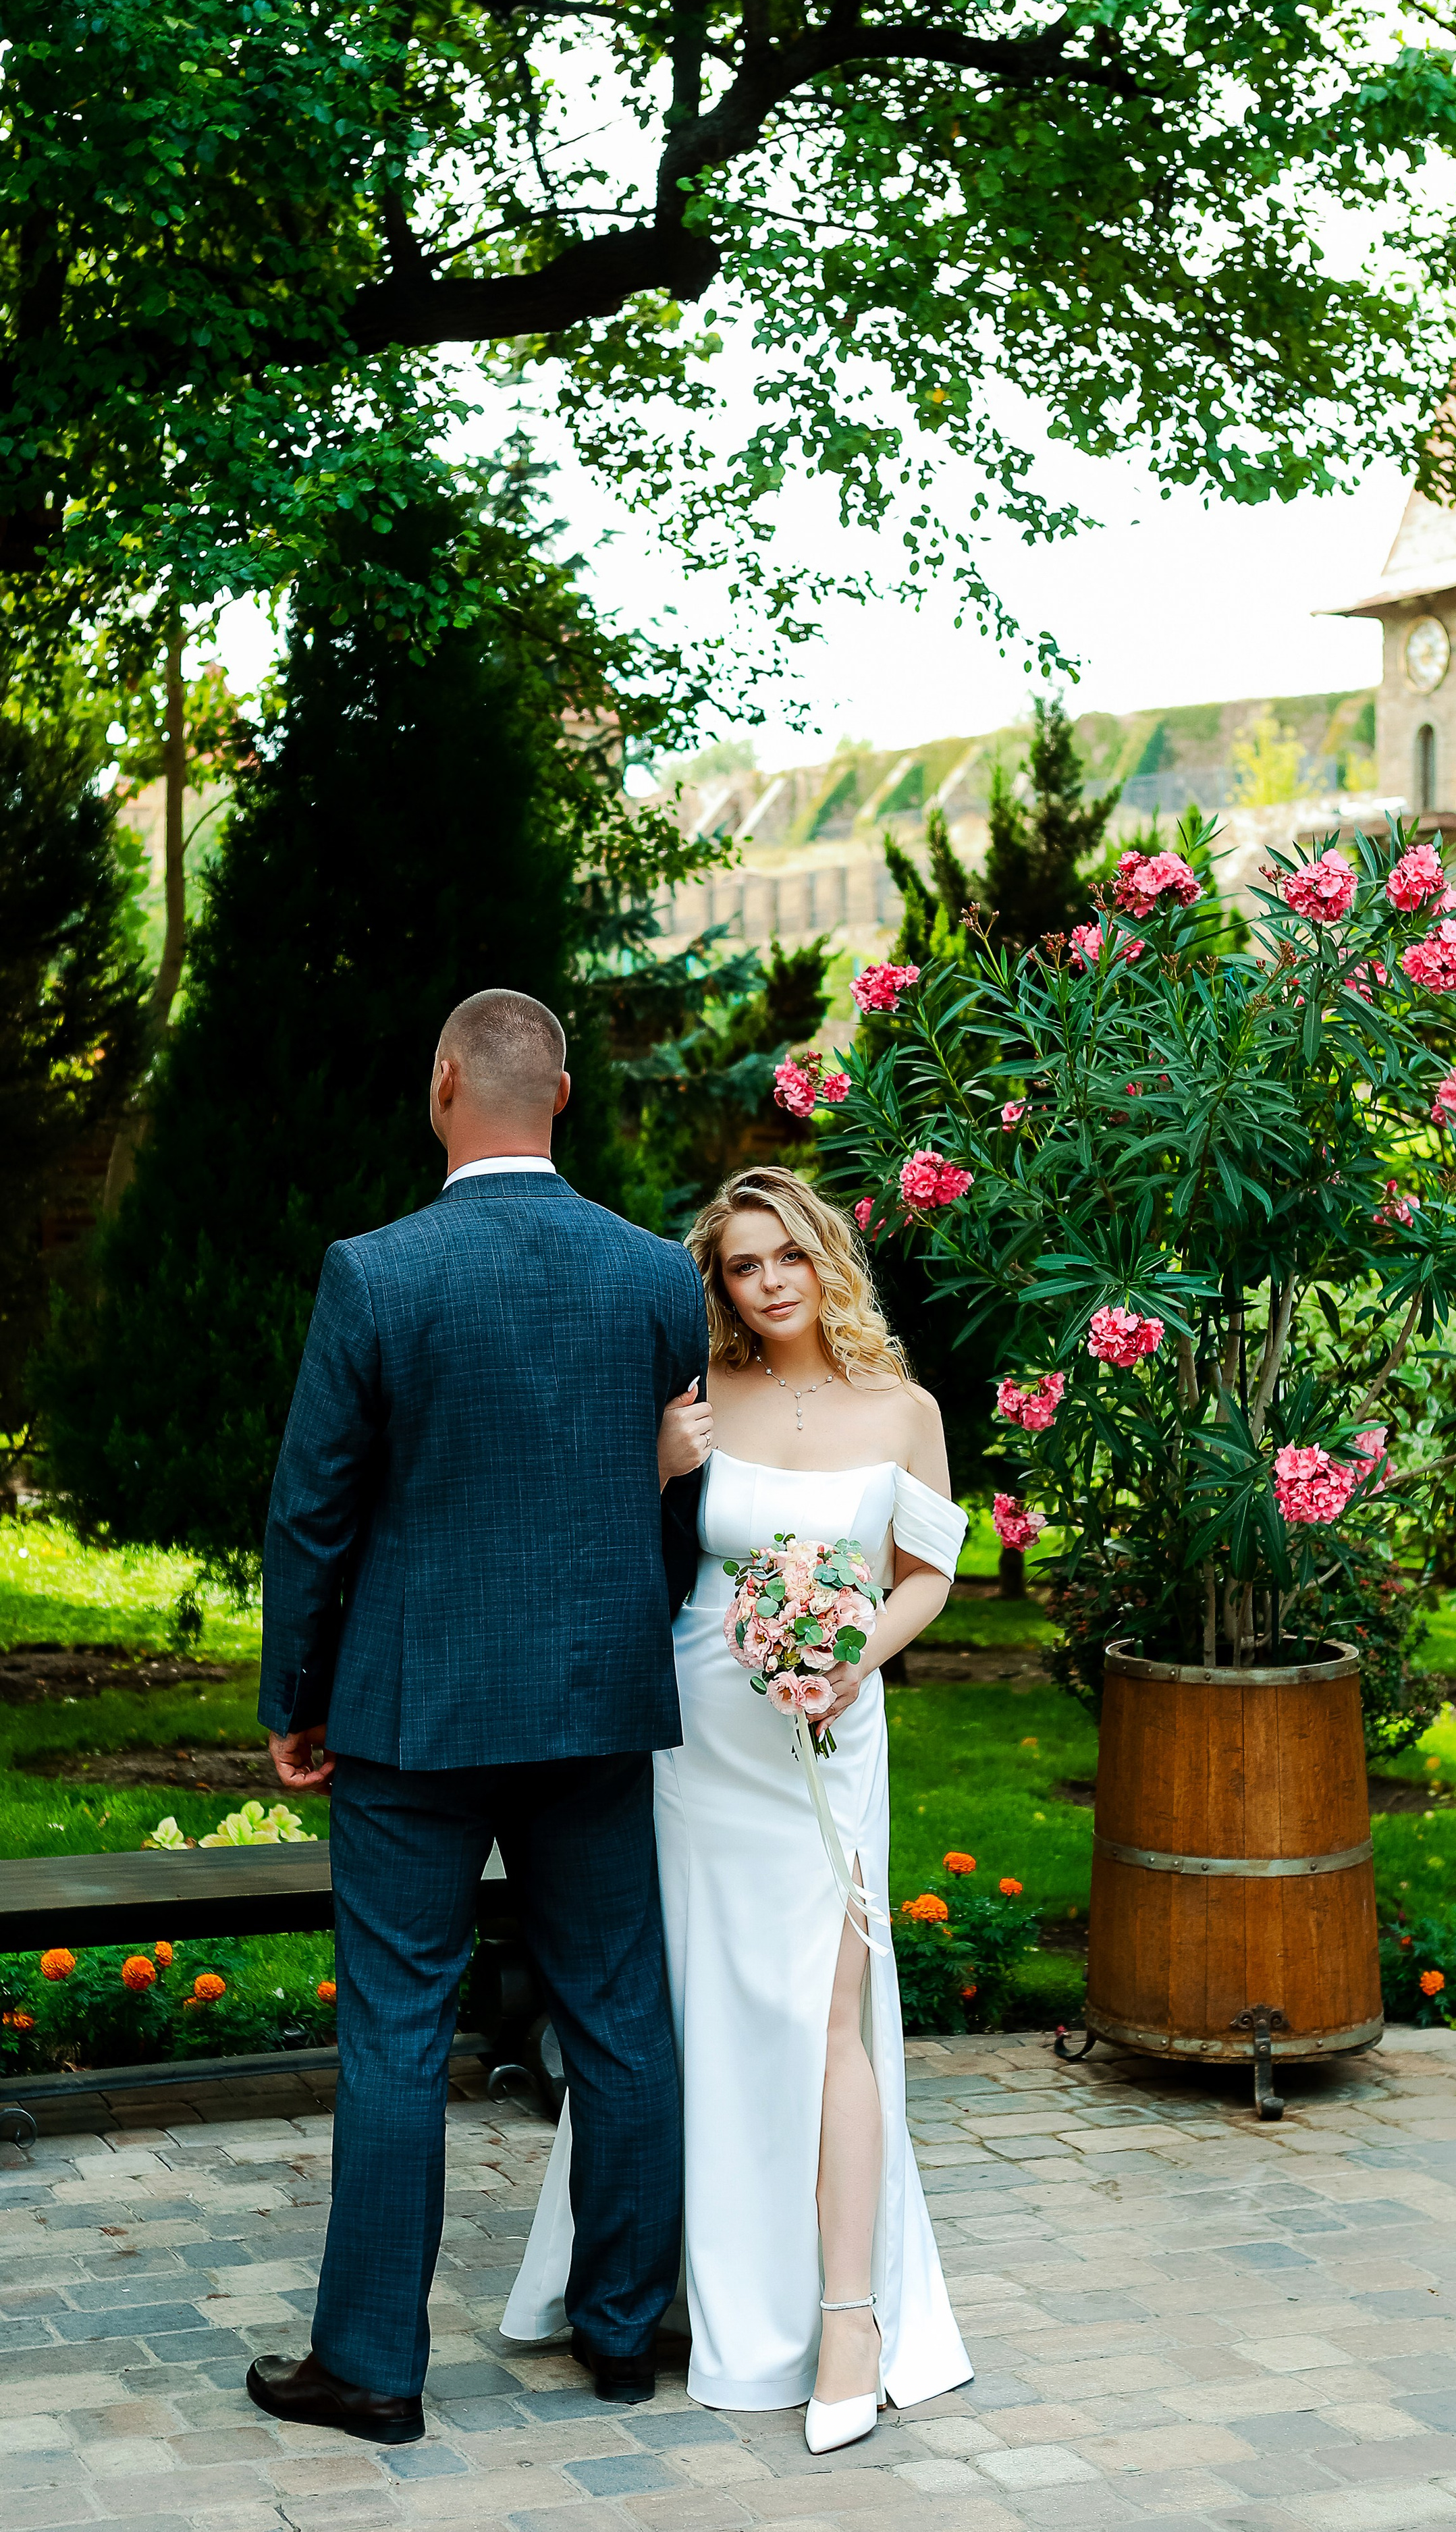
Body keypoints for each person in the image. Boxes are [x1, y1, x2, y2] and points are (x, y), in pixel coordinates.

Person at [246, 989, 709, 2446]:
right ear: (559, 1094)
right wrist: (632, 1629)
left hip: (409, 1713)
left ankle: (372, 2367)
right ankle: (625, 2338)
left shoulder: (375, 1275)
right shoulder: (649, 1275)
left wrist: (295, 1700)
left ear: (444, 1082)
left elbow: (313, 1510)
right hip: (592, 1698)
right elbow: (678, 1499)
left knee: (394, 2032)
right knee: (621, 2015)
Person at [504, 1165, 973, 2451]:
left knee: (831, 2015)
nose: (769, 1284)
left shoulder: (905, 1410)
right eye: (742, 1267)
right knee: (692, 2002)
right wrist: (655, 1467)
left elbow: (929, 1577)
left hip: (831, 1729)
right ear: (718, 1285)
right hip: (700, 1728)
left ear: (828, 1262)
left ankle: (848, 2320)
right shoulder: (699, 1400)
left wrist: (850, 1661)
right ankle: (660, 2277)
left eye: (788, 1258)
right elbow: (617, 1547)